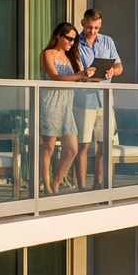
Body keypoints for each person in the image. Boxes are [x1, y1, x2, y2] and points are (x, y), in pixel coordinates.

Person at [38, 22, 97, 195]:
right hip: (50, 103)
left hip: (66, 105)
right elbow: (55, 77)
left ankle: (56, 182)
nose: (72, 42)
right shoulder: (47, 54)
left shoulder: (72, 56)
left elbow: (81, 79)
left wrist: (98, 76)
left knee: (72, 149)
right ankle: (47, 187)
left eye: (75, 40)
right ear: (59, 36)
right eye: (69, 38)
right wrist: (80, 74)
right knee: (48, 148)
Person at [73, 8, 123, 190]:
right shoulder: (75, 43)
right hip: (83, 99)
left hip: (105, 99)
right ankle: (81, 187)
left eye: (96, 28)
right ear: (82, 23)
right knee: (83, 144)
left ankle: (98, 184)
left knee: (104, 144)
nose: (92, 31)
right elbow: (73, 72)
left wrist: (112, 71)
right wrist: (85, 76)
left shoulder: (107, 41)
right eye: (89, 27)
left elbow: (119, 65)